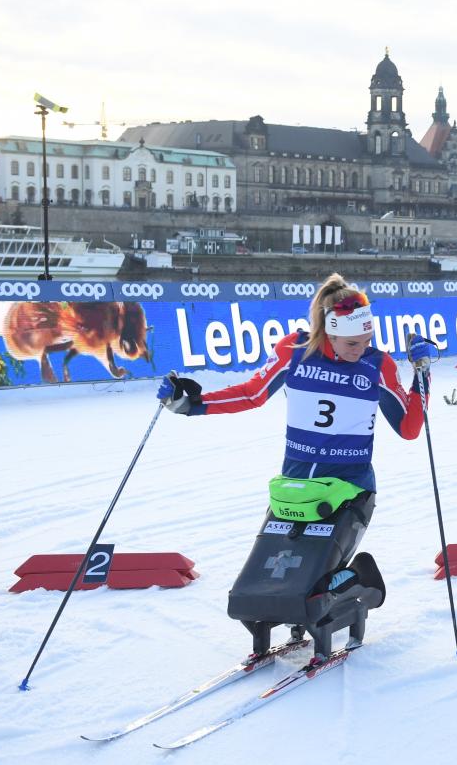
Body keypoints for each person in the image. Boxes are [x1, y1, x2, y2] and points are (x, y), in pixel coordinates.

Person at [156, 273, 436, 658]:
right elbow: (252, 393)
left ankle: (362, 583)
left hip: (350, 487)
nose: (361, 348)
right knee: (273, 574)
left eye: (367, 340)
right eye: (353, 342)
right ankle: (273, 615)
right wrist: (192, 404)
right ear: (329, 332)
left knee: (316, 582)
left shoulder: (377, 366)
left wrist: (422, 372)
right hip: (295, 490)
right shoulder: (294, 352)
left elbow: (408, 428)